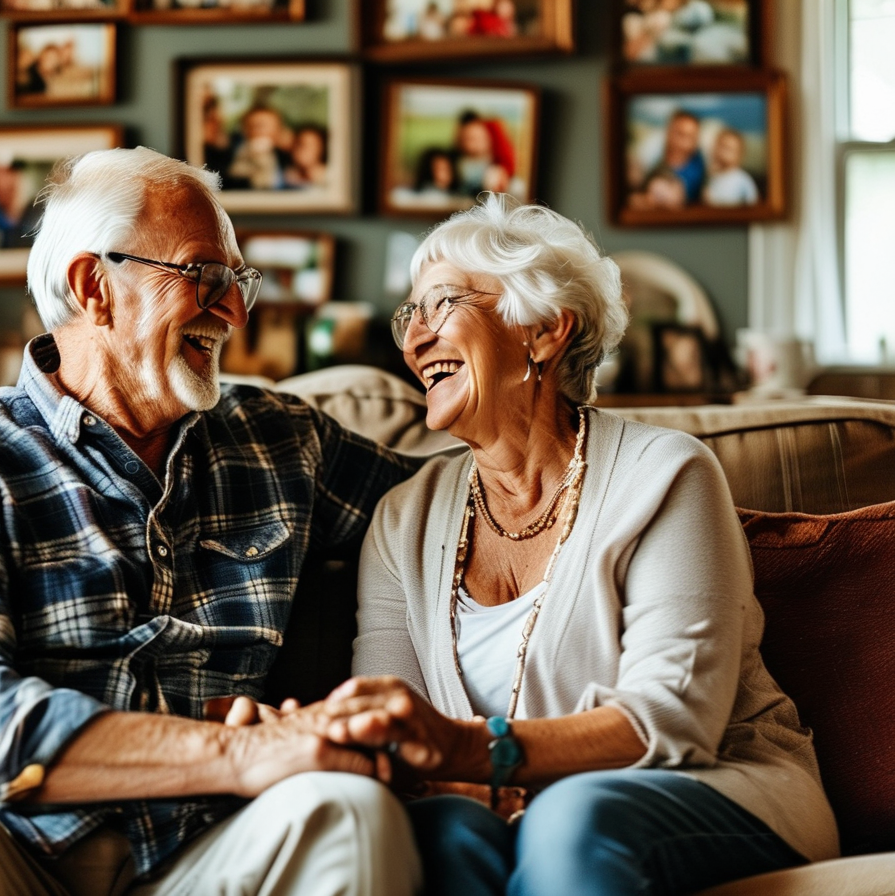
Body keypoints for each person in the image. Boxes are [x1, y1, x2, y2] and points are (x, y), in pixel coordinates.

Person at [0, 147, 425, 895]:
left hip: (201, 857)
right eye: (204, 275)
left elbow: (463, 516)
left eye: (238, 280)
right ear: (95, 286)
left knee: (348, 811)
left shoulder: (282, 440)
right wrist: (245, 754)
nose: (235, 309)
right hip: (1, 851)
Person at [323, 194, 840, 895]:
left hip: (713, 787)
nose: (414, 339)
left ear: (542, 330)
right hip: (492, 807)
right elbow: (399, 726)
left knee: (572, 815)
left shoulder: (665, 474)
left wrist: (475, 752)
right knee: (435, 832)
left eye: (440, 304)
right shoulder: (402, 520)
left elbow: (672, 719)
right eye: (408, 315)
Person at [453, 110, 514, 197]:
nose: (475, 144)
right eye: (469, 139)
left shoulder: (494, 170)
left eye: (479, 139)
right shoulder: (459, 164)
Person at [656, 108, 706, 203]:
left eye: (690, 137)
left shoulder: (697, 168)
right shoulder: (656, 158)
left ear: (696, 141)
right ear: (668, 133)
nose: (682, 143)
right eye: (679, 134)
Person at [704, 127, 760, 207]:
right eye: (721, 146)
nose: (723, 152)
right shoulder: (711, 177)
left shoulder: (743, 179)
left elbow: (752, 204)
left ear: (739, 155)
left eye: (729, 149)